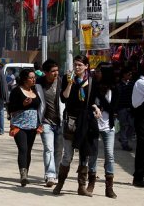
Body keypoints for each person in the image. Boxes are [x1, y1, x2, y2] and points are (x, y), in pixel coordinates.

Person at [53, 54, 99, 196]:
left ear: (86, 66)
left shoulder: (91, 81)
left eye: (80, 65)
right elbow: (64, 97)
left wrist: (96, 108)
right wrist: (70, 83)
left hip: (86, 122)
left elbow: (92, 100)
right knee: (67, 155)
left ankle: (81, 186)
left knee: (84, 155)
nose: (77, 67)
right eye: (75, 64)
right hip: (70, 120)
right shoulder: (68, 80)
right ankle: (60, 184)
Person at [7, 68, 43, 187]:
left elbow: (39, 106)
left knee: (28, 150)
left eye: (34, 77)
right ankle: (23, 175)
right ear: (24, 79)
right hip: (19, 125)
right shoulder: (16, 91)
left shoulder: (35, 90)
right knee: (23, 149)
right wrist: (22, 104)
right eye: (31, 78)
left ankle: (26, 172)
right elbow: (10, 108)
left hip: (33, 126)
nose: (33, 80)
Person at [87, 63, 118, 198]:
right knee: (93, 154)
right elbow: (88, 104)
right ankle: (91, 183)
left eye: (99, 71)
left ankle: (109, 187)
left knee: (109, 155)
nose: (96, 73)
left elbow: (114, 107)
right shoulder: (92, 86)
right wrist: (95, 107)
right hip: (94, 125)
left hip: (108, 126)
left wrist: (101, 106)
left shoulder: (115, 89)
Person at [36, 59, 64, 187]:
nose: (56, 73)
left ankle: (56, 173)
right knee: (48, 149)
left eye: (57, 70)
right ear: (45, 72)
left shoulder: (62, 82)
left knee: (58, 151)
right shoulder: (38, 84)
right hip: (46, 122)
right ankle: (50, 175)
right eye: (53, 71)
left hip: (61, 122)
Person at [116, 66, 135, 151]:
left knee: (132, 125)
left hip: (131, 108)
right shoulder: (118, 85)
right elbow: (116, 98)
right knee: (123, 126)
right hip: (121, 108)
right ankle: (125, 143)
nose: (130, 75)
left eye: (131, 74)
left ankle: (123, 138)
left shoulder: (133, 84)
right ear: (124, 75)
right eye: (128, 74)